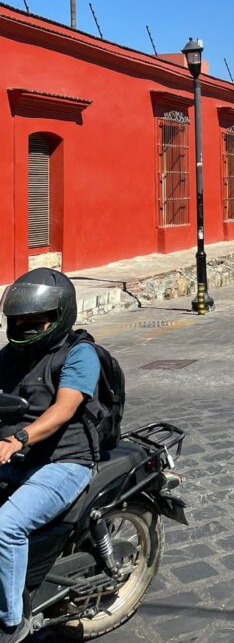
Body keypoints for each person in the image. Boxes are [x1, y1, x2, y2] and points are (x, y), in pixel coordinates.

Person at [0, 269, 101, 643]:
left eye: (35, 320)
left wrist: (20, 438)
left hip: (64, 460)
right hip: (19, 457)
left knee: (5, 527)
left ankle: (12, 624)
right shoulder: (9, 356)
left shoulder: (79, 354)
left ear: (59, 318)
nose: (26, 326)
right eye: (19, 320)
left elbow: (64, 409)